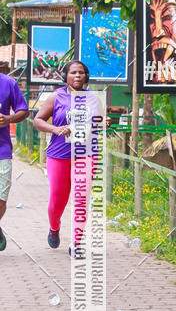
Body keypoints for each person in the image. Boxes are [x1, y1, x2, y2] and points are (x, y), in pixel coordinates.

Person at [33, 60, 101, 254]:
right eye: (73, 72)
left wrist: (104, 122)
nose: (78, 76)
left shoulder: (94, 98)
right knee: (57, 199)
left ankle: (76, 243)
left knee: (81, 196)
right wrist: (55, 129)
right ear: (66, 76)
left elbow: (98, 122)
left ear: (86, 76)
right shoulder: (57, 96)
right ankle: (54, 228)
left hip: (86, 153)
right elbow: (38, 120)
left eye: (81, 72)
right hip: (59, 155)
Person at [0, 72, 29, 251]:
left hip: (2, 152)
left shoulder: (8, 83)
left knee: (1, 199)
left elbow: (23, 110)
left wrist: (9, 119)